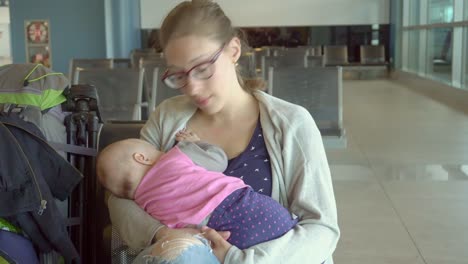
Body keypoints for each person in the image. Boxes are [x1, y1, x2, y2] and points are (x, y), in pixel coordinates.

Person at [107, 0, 340, 263]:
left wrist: (243, 260)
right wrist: (162, 235)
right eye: (179, 76)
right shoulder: (167, 118)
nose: (192, 88)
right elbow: (121, 198)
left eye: (203, 69)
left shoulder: (291, 124)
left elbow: (321, 229)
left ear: (233, 50)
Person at [97, 132, 298, 263]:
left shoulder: (144, 205)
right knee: (285, 229)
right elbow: (218, 160)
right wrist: (194, 143)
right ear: (141, 157)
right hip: (239, 207)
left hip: (212, 235)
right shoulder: (174, 157)